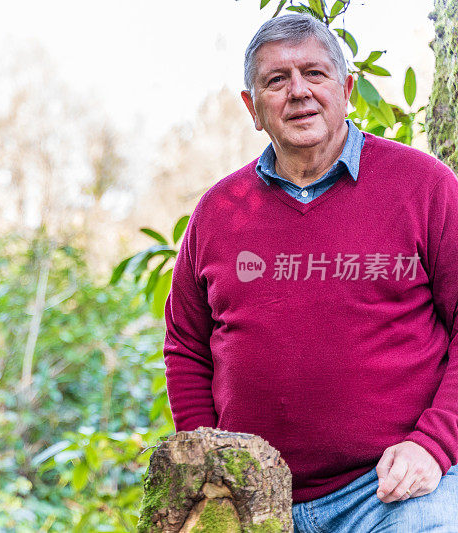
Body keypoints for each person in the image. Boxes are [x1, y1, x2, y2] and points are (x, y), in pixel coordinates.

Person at [163, 13, 458, 531]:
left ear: (346, 88)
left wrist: (434, 444)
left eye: (315, 74)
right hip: (252, 499)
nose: (299, 92)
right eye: (277, 80)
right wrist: (211, 461)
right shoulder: (218, 211)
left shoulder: (425, 187)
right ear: (252, 108)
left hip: (395, 491)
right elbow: (186, 344)